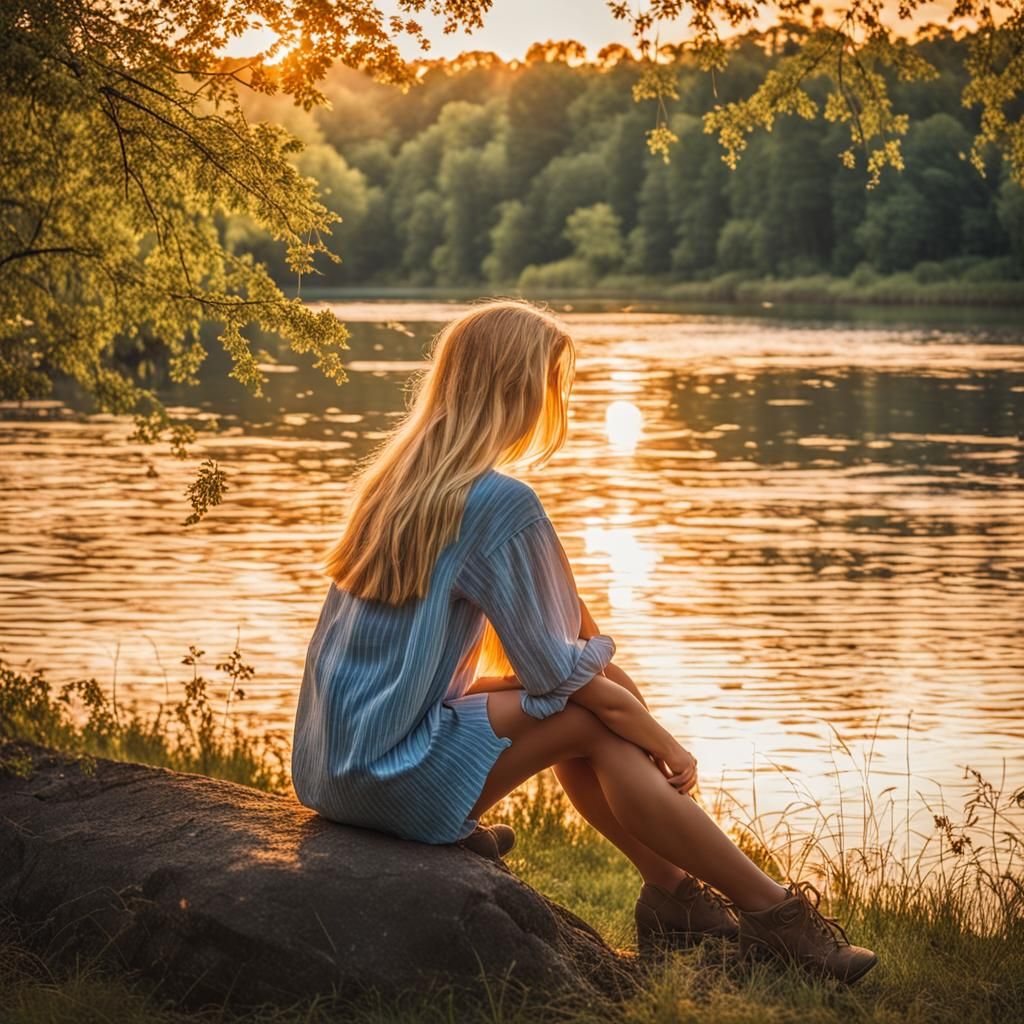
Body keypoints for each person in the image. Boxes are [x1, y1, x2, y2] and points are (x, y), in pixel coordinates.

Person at [290, 298, 877, 984]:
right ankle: (775, 917)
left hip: (331, 769)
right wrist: (660, 739)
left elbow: (535, 660)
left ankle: (679, 898)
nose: (554, 399)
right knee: (589, 719)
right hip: (390, 780)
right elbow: (556, 672)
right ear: (517, 388)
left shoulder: (392, 484)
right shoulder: (496, 501)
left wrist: (594, 677)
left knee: (579, 709)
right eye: (551, 381)